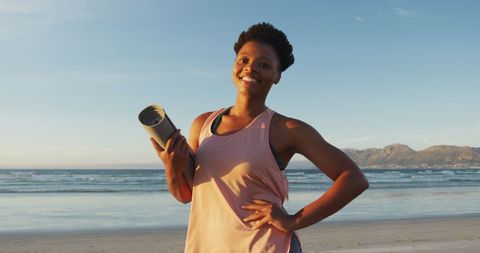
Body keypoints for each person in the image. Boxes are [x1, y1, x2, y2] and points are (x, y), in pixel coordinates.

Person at [150, 22, 369, 253]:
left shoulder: (286, 129)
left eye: (263, 65)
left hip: (266, 246)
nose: (250, 68)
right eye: (243, 60)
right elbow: (187, 196)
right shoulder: (202, 124)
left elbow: (354, 179)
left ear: (277, 76)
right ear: (234, 64)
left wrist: (294, 221)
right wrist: (172, 168)